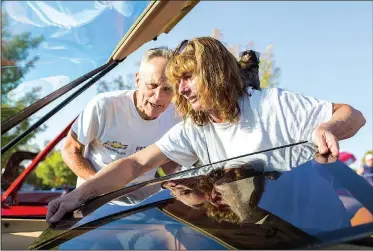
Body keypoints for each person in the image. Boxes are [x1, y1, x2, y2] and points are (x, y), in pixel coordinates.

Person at [47, 36, 366, 224]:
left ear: (216, 71)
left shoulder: (272, 104)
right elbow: (135, 164)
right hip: (264, 234)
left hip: (320, 231)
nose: (180, 90)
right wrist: (80, 194)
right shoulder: (193, 128)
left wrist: (328, 127)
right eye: (177, 82)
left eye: (188, 78)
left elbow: (353, 115)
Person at [62, 47, 181, 188]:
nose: (158, 96)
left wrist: (179, 178)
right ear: (137, 80)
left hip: (145, 202)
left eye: (167, 89)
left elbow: (169, 164)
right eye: (151, 85)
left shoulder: (176, 118)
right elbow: (70, 150)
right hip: (95, 200)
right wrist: (98, 185)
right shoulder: (103, 106)